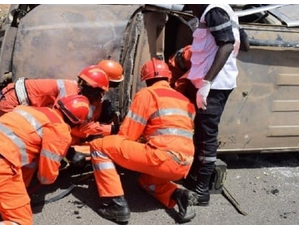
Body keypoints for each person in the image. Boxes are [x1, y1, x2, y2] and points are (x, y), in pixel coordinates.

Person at [87, 58, 197, 223]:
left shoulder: (148, 94)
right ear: (168, 78)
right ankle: (179, 195)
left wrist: (103, 137)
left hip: (162, 157)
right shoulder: (185, 101)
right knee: (146, 181)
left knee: (99, 147)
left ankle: (116, 205)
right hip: (184, 165)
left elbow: (127, 135)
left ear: (146, 80)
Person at [0, 94, 90, 225]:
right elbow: (45, 177)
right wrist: (59, 167)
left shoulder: (33, 110)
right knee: (21, 221)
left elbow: (29, 153)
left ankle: (12, 197)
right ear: (76, 121)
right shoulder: (59, 130)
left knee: (31, 161)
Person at [183, 4, 242, 206]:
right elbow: (245, 44)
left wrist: (207, 83)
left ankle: (202, 191)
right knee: (201, 132)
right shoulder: (228, 12)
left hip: (214, 87)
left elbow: (226, 44)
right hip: (217, 84)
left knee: (207, 136)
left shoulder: (214, 11)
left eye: (191, 6)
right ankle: (194, 178)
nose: (191, 11)